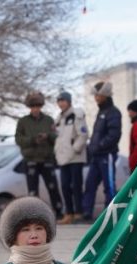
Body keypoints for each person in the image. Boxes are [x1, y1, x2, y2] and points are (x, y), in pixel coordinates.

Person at [15, 91, 63, 218]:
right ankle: (34, 215)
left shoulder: (48, 120)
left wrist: (47, 136)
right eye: (33, 106)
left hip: (47, 158)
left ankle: (59, 212)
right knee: (32, 191)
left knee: (53, 187)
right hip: (31, 159)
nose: (35, 109)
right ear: (29, 107)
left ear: (41, 106)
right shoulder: (23, 121)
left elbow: (56, 136)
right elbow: (18, 140)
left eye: (38, 106)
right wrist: (33, 139)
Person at [81, 81, 122, 221]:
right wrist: (92, 148)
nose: (96, 98)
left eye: (98, 95)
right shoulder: (101, 111)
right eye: (95, 95)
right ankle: (86, 213)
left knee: (109, 186)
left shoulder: (113, 112)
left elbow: (114, 135)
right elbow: (97, 134)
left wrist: (100, 146)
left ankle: (110, 216)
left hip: (107, 155)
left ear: (105, 95)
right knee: (90, 184)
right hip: (96, 156)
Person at [54, 91, 88, 225]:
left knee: (76, 186)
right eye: (59, 101)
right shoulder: (59, 119)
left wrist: (75, 149)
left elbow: (83, 135)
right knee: (64, 186)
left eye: (63, 100)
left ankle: (78, 213)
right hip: (63, 158)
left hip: (75, 158)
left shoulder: (76, 115)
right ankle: (69, 213)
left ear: (69, 101)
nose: (61, 103)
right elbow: (59, 138)